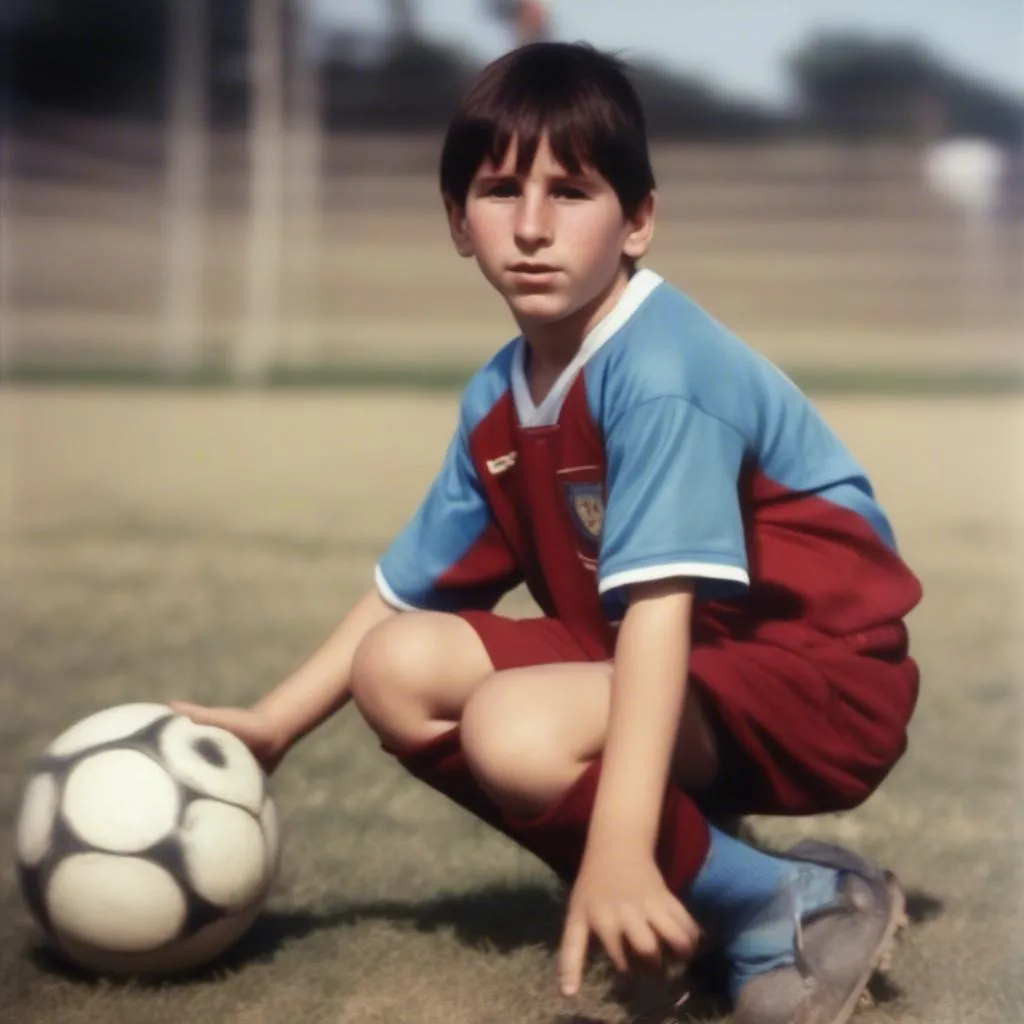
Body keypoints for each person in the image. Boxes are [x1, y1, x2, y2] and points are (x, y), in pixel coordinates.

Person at [173, 41, 922, 1023]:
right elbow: (411, 591)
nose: (530, 228)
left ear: (638, 221)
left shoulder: (660, 370)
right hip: (679, 667)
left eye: (570, 191)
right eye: (496, 190)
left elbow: (659, 613)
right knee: (394, 667)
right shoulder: (501, 391)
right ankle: (719, 872)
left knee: (513, 728)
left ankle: (781, 904)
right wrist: (273, 725)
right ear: (456, 221)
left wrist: (615, 844)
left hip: (816, 678)